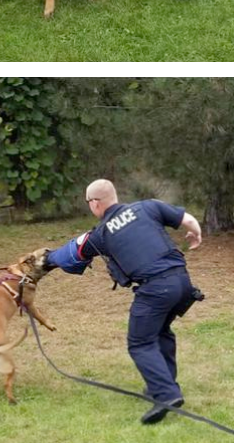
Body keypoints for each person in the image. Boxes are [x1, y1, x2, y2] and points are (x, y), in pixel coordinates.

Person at [43, 177, 203, 425]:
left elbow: (70, 254)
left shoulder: (100, 233)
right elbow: (188, 220)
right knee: (160, 331)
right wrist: (195, 233)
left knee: (139, 342)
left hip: (155, 289)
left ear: (95, 203)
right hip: (182, 283)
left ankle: (167, 394)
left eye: (89, 202)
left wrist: (48, 259)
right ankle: (164, 384)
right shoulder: (148, 206)